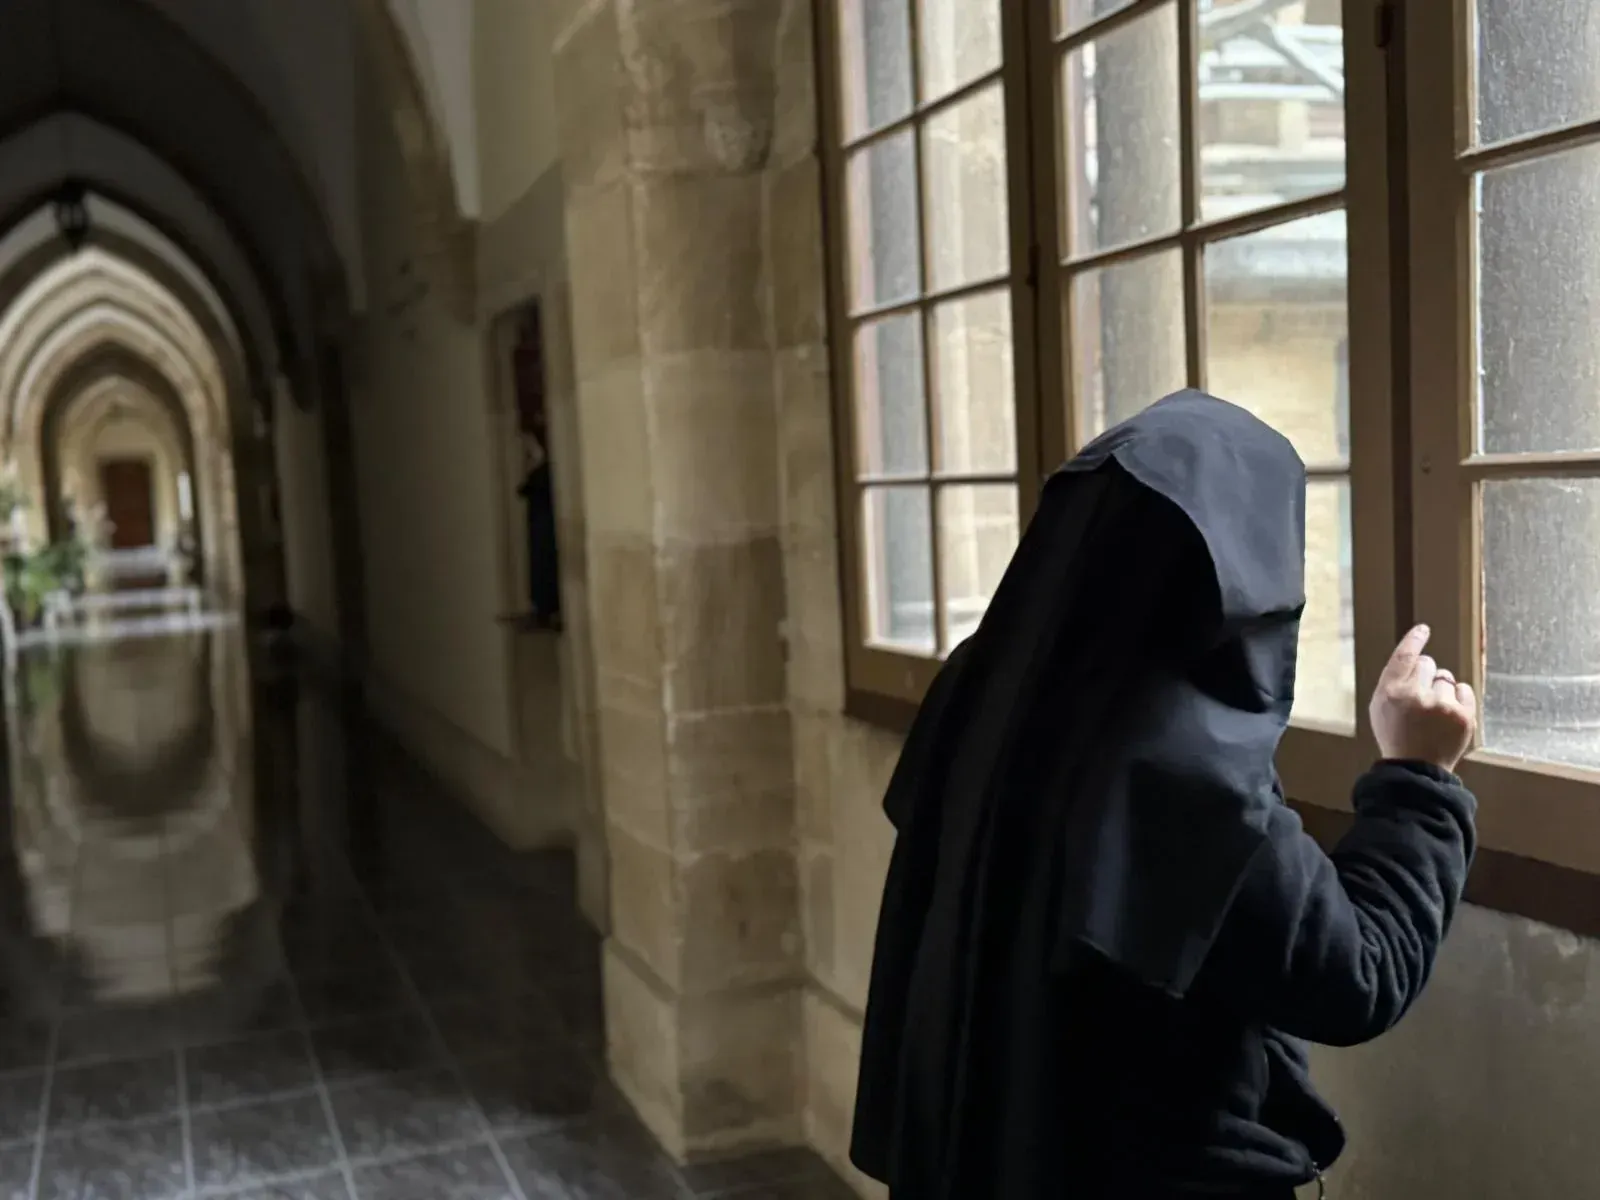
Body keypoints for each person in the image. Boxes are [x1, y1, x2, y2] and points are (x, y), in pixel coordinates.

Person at [849, 390, 1478, 1199]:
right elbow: (1358, 976)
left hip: (980, 1159)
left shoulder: (983, 691)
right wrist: (1419, 776)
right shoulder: (1183, 770)